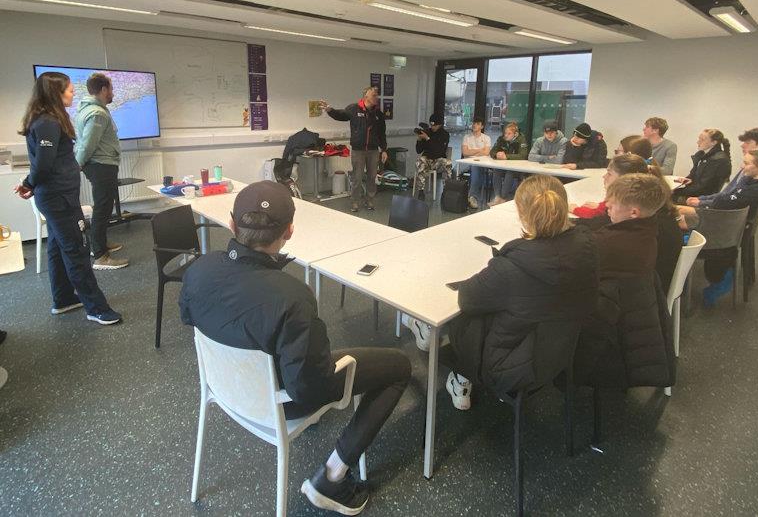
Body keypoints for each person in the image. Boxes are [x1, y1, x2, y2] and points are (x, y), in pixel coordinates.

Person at [179, 181, 411, 515]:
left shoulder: (198, 270)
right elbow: (309, 390)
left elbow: (190, 317)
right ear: (289, 231)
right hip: (278, 402)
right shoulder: (292, 296)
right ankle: (333, 476)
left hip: (225, 388)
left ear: (231, 224)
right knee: (399, 366)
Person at [436, 175, 597, 409]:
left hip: (507, 366)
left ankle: (462, 376)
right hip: (561, 351)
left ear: (521, 214)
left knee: (461, 318)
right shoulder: (588, 247)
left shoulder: (512, 267)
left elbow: (468, 298)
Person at [13, 72, 121, 325]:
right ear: (55, 94)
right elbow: (44, 164)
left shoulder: (46, 120)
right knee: (76, 251)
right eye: (70, 91)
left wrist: (31, 183)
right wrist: (28, 183)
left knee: (56, 247)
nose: (74, 94)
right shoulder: (48, 122)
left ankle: (62, 299)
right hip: (59, 199)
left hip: (56, 197)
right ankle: (96, 308)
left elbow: (45, 164)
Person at [573, 173, 675, 391]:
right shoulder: (648, 230)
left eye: (613, 201)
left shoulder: (606, 245)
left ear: (633, 212)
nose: (607, 204)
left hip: (599, 335)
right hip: (625, 330)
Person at [677, 149, 758, 307]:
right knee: (677, 212)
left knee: (674, 222)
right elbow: (725, 197)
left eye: (747, 163)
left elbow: (723, 202)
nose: (742, 166)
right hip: (724, 222)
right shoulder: (755, 179)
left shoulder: (757, 189)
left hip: (724, 231)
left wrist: (701, 203)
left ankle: (680, 284)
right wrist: (703, 200)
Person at [572, 154, 683, 294]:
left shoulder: (623, 234)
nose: (604, 177)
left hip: (635, 297)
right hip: (649, 294)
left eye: (609, 173)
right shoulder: (653, 214)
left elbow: (590, 242)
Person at [74, 73, 129, 270]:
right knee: (102, 208)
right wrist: (77, 165)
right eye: (111, 89)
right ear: (104, 90)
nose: (112, 93)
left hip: (100, 164)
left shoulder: (90, 109)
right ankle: (100, 256)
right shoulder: (97, 113)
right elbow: (88, 144)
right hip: (101, 165)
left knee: (103, 206)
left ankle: (100, 245)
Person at [323, 87, 387, 212]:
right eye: (374, 95)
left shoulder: (378, 114)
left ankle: (369, 201)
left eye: (377, 95)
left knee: (372, 177)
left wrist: (384, 149)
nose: (376, 97)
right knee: (357, 177)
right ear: (366, 96)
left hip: (373, 151)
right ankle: (355, 202)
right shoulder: (354, 109)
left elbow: (382, 134)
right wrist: (330, 110)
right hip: (358, 150)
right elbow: (340, 115)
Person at [672, 129, 732, 204]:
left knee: (663, 198)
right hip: (696, 194)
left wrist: (676, 191)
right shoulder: (703, 155)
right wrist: (685, 180)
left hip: (701, 199)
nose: (698, 142)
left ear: (713, 142)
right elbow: (693, 176)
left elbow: (703, 188)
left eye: (702, 140)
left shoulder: (717, 160)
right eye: (699, 139)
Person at [487, 121, 529, 206]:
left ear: (515, 134)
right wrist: (496, 154)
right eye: (505, 133)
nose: (506, 135)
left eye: (509, 133)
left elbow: (523, 155)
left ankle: (503, 198)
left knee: (509, 173)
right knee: (496, 170)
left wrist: (507, 156)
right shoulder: (501, 139)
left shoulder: (521, 139)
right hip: (503, 166)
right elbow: (492, 151)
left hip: (517, 169)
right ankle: (497, 196)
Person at [414, 113, 451, 200]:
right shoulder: (427, 132)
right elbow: (418, 150)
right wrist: (419, 140)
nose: (433, 127)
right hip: (427, 159)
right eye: (431, 125)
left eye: (435, 125)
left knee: (447, 163)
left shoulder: (444, 134)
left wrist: (428, 139)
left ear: (440, 125)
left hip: (438, 160)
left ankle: (446, 190)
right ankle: (421, 191)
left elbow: (439, 151)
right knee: (420, 161)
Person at [461, 117, 492, 209]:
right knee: (456, 170)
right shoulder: (467, 137)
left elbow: (486, 153)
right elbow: (465, 152)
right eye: (474, 123)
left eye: (478, 124)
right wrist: (479, 150)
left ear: (482, 126)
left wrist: (471, 151)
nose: (474, 125)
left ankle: (472, 197)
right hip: (467, 162)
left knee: (477, 168)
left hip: (481, 163)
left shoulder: (486, 138)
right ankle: (467, 196)